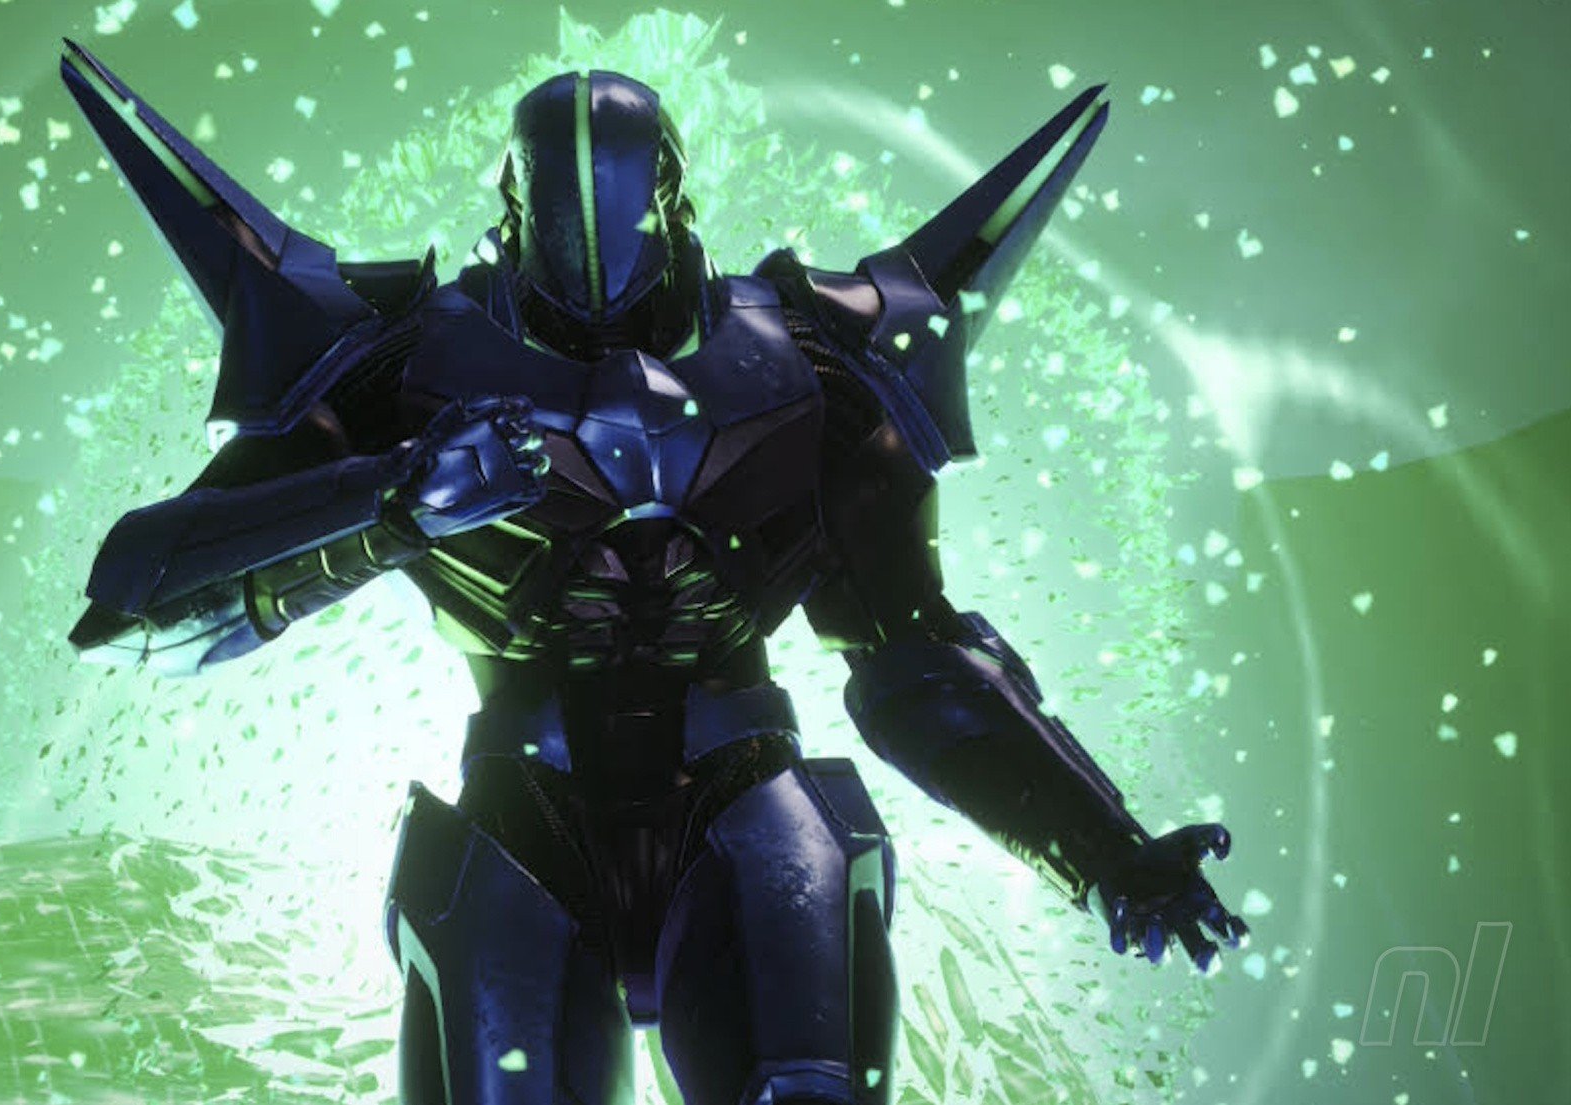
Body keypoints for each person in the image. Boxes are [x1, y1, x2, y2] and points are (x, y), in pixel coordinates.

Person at [61, 41, 1248, 1105]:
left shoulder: (815, 364)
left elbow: (916, 661)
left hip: (747, 809)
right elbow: (136, 604)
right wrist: (390, 504)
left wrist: (1101, 850)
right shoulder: (408, 368)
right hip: (525, 818)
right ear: (514, 202)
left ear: (673, 191)